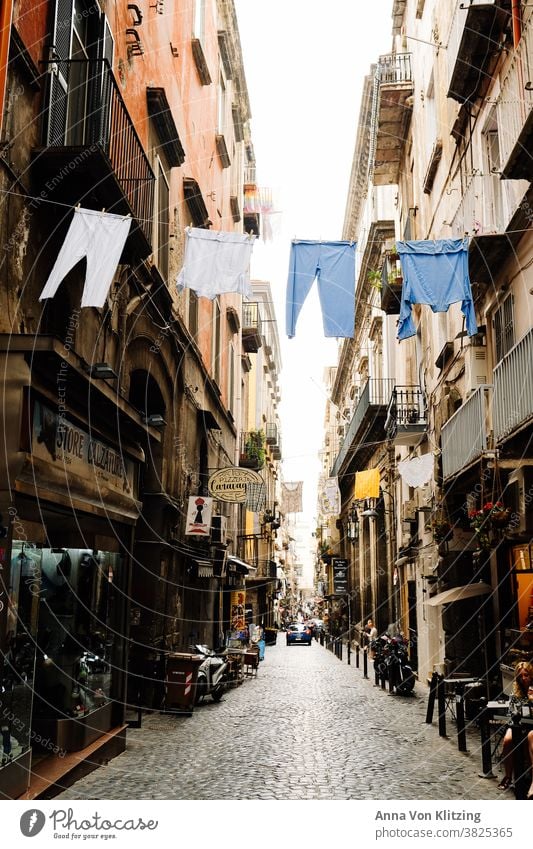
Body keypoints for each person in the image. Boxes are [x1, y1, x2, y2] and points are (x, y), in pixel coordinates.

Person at [497, 661, 533, 794]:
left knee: (528, 742)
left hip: (531, 725)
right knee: (507, 740)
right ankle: (508, 776)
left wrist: (531, 699)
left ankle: (528, 777)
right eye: (520, 676)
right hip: (516, 724)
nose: (523, 678)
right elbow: (511, 712)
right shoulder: (515, 691)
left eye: (526, 675)